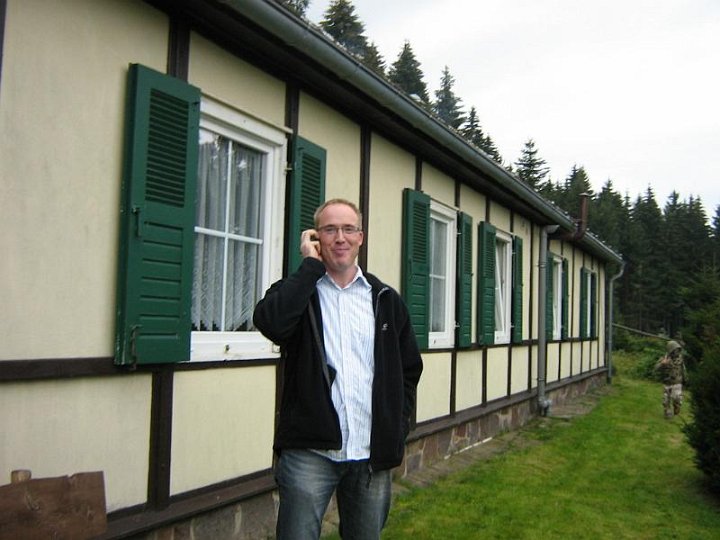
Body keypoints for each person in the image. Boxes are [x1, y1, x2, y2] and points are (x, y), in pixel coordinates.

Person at [253, 198, 423, 539]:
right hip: (309, 453)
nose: (340, 238)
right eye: (330, 230)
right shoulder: (300, 292)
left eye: (348, 229)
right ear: (316, 238)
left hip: (370, 452)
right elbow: (271, 323)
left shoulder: (385, 299)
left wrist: (396, 424)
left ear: (361, 237)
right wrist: (309, 267)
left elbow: (408, 369)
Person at [654, 340, 686, 419]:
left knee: (677, 399)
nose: (676, 352)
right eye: (675, 350)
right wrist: (662, 364)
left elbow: (683, 369)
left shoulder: (680, 359)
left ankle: (676, 408)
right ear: (671, 350)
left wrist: (685, 378)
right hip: (667, 382)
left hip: (677, 382)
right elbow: (656, 368)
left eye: (678, 350)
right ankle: (667, 412)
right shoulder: (664, 358)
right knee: (666, 400)